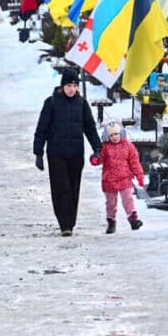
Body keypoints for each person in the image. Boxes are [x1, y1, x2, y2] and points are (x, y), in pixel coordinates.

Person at [33, 68, 102, 236]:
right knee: (61, 187)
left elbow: (89, 127)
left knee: (73, 187)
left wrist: (97, 148)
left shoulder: (82, 103)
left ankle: (70, 221)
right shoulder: (51, 103)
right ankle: (65, 224)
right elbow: (42, 128)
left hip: (76, 152)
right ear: (62, 86)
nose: (72, 89)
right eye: (69, 85)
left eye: (75, 85)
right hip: (56, 153)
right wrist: (38, 153)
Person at [98, 120, 144, 234]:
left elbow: (134, 162)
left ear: (121, 133)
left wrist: (139, 176)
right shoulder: (105, 147)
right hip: (109, 180)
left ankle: (133, 220)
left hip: (125, 178)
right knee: (111, 203)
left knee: (128, 199)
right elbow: (99, 159)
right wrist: (95, 159)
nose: (114, 137)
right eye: (111, 135)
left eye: (116, 134)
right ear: (107, 136)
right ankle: (111, 222)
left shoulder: (128, 145)